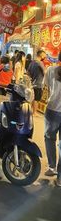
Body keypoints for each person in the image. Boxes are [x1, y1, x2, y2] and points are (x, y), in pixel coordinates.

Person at [43, 51, 61, 180]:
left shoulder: (51, 70)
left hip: (53, 109)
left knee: (50, 138)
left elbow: (47, 88)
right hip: (54, 110)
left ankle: (52, 167)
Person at [27, 50, 46, 115]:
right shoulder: (40, 63)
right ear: (41, 55)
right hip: (39, 84)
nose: (45, 56)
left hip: (32, 83)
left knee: (32, 98)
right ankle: (34, 112)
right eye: (44, 54)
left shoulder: (32, 63)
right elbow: (45, 72)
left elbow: (28, 73)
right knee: (36, 99)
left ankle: (31, 111)